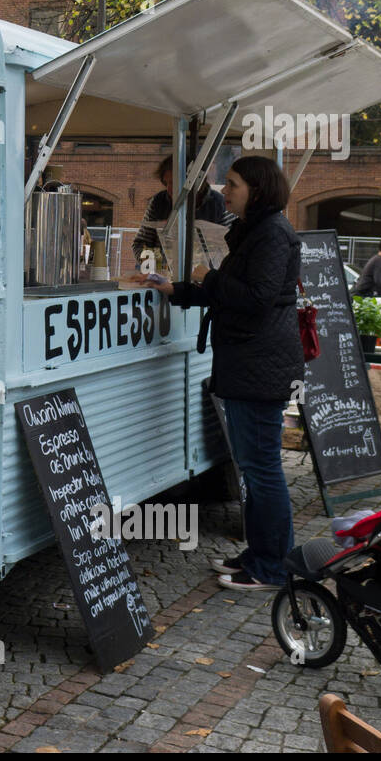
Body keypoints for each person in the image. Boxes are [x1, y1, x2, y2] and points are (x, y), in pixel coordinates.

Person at [134, 157, 303, 590]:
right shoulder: (254, 230)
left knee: (262, 468)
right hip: (250, 362)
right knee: (252, 466)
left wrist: (208, 276)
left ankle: (272, 566)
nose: (224, 192)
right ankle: (259, 554)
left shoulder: (272, 233)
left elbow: (257, 298)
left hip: (259, 365)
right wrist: (178, 290)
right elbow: (227, 291)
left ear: (257, 190)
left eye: (233, 185)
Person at [131, 154, 233, 269]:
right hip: (164, 280)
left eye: (174, 183)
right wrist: (157, 265)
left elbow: (231, 251)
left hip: (205, 280)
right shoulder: (159, 202)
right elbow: (140, 243)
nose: (169, 189)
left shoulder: (220, 205)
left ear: (193, 182)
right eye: (166, 183)